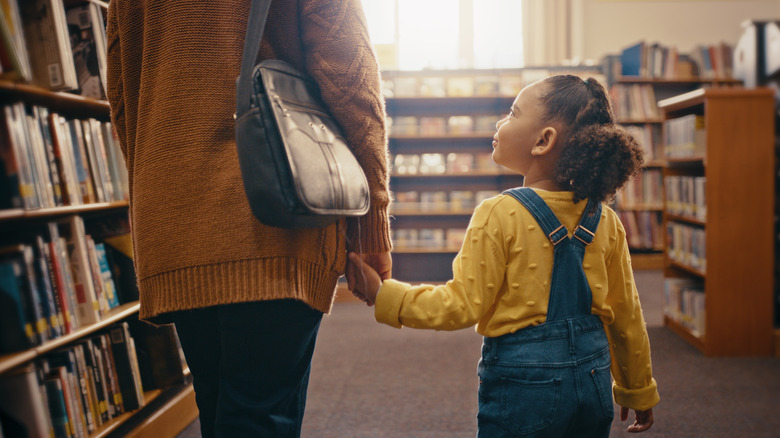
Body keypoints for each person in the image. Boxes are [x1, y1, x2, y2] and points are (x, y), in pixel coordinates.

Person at [105, 0, 392, 437]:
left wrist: (166, 193)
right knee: (260, 414)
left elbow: (124, 98)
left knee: (219, 409)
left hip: (174, 220)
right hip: (274, 219)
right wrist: (371, 221)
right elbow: (350, 78)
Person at [348, 75, 659, 437]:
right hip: (593, 381)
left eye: (512, 113)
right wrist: (638, 389)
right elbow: (626, 314)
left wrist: (382, 295)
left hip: (525, 385)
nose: (501, 122)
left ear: (543, 141)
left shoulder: (498, 213)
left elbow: (460, 305)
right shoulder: (606, 220)